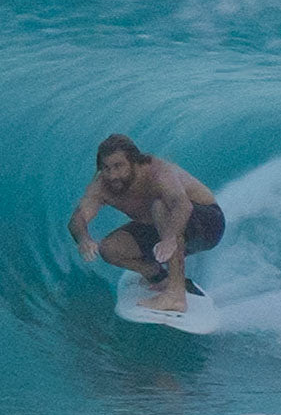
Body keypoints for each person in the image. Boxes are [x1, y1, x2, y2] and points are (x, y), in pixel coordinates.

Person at [67, 133, 225, 312]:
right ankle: (158, 276)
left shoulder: (157, 172)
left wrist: (170, 239)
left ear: (134, 161)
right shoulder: (102, 186)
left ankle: (176, 295)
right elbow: (78, 218)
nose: (112, 175)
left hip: (208, 224)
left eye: (118, 166)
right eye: (106, 168)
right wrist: (84, 239)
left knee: (159, 205)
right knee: (109, 249)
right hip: (161, 226)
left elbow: (181, 206)